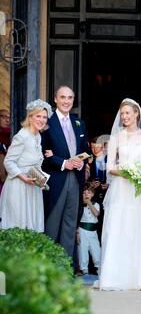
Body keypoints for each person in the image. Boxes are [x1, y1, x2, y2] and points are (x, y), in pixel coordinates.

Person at [98, 98, 141, 290]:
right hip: (122, 187)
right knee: (122, 227)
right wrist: (126, 173)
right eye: (122, 114)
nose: (125, 117)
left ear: (137, 114)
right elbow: (110, 167)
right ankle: (116, 277)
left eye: (128, 113)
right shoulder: (116, 138)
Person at [41, 86, 89, 258]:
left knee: (70, 224)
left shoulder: (79, 123)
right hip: (56, 180)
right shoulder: (46, 122)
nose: (66, 101)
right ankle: (48, 268)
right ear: (55, 99)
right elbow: (41, 153)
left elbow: (86, 150)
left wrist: (80, 163)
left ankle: (66, 268)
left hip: (75, 179)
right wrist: (63, 162)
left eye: (70, 98)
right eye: (63, 97)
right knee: (52, 225)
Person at [0, 100, 52, 231]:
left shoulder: (38, 136)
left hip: (32, 187)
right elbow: (8, 161)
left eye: (44, 117)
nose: (41, 120)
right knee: (19, 227)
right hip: (19, 187)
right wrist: (23, 177)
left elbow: (35, 164)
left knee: (32, 227)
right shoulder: (22, 136)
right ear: (30, 117)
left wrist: (41, 181)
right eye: (38, 116)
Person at [76, 183, 101, 276]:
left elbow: (96, 214)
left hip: (93, 231)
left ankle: (99, 269)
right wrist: (77, 232)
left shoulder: (96, 204)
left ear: (92, 194)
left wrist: (89, 203)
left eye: (89, 193)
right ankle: (84, 270)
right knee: (82, 250)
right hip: (82, 230)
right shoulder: (79, 206)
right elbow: (77, 220)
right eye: (84, 193)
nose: (86, 195)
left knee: (96, 250)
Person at [0, 109, 11, 195]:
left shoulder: (13, 135)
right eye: (3, 116)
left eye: (9, 117)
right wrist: (3, 176)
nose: (7, 120)